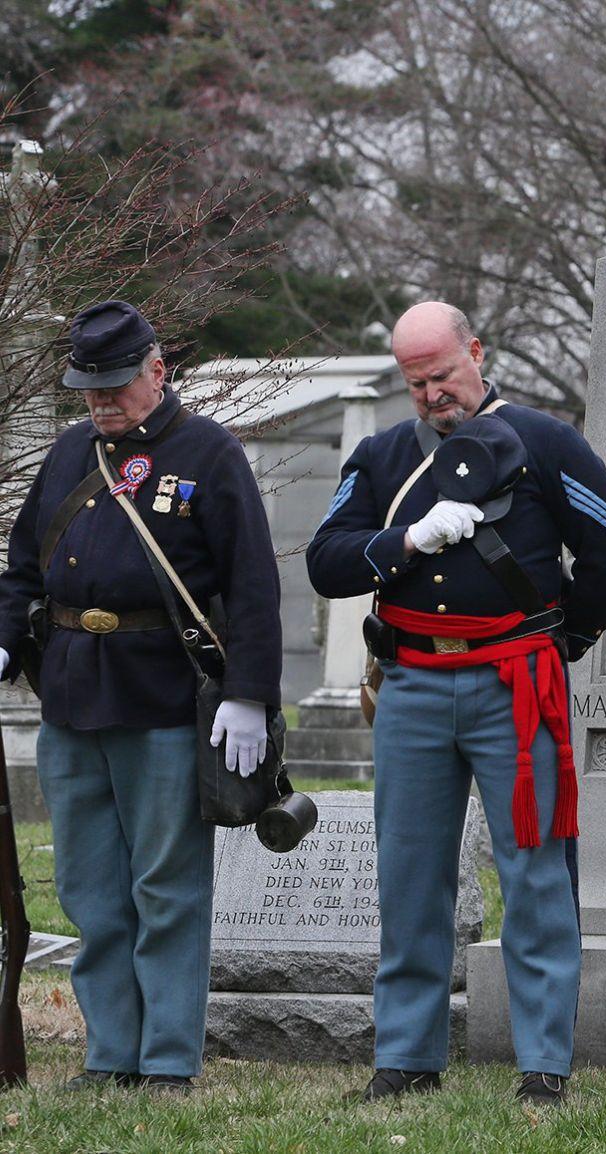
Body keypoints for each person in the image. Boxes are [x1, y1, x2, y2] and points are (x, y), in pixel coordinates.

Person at [307, 302, 606, 1106]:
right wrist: (408, 541)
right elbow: (327, 561)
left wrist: (566, 645)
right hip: (412, 685)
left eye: (443, 375)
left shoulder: (546, 443)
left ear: (476, 353)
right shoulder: (384, 457)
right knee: (410, 877)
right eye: (415, 382)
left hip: (515, 686)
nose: (431, 395)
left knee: (534, 876)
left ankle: (543, 1066)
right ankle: (407, 1057)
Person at [0, 301, 282, 1092]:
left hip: (162, 694)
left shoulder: (209, 453)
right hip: (70, 695)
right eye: (89, 388)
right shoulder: (67, 454)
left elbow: (252, 585)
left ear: (157, 371)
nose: (102, 401)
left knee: (165, 888)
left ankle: (165, 1061)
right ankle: (109, 1053)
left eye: (116, 385)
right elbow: (22, 567)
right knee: (91, 889)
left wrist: (250, 695)